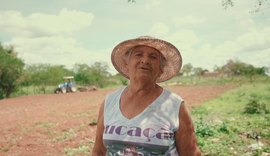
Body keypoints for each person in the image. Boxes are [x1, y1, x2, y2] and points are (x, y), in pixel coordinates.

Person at [92, 36, 201, 156]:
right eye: (138, 55)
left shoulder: (174, 105)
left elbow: (191, 153)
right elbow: (99, 151)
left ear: (161, 69)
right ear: (127, 64)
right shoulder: (109, 102)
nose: (145, 60)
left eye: (153, 57)